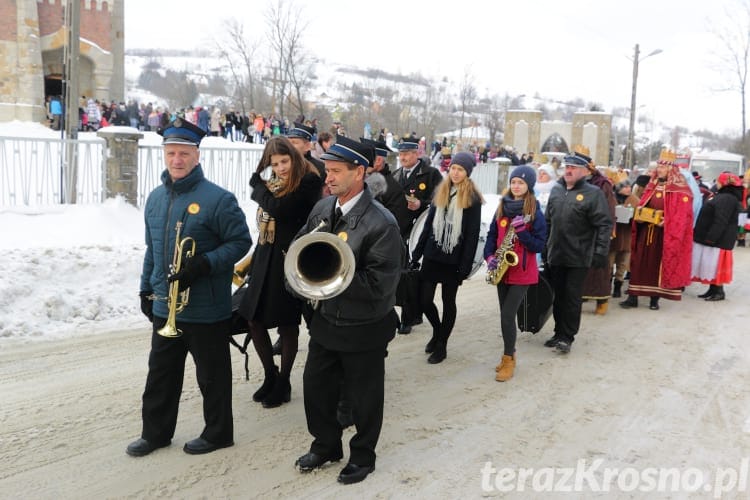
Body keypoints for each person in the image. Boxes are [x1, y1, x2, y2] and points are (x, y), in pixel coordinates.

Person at [127, 118, 252, 457]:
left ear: (197, 156)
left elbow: (241, 242)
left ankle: (218, 433)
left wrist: (207, 263)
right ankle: (155, 434)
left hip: (206, 306)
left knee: (212, 377)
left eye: (184, 153)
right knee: (160, 375)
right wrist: (145, 289)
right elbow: (153, 249)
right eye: (171, 153)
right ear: (164, 155)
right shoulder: (154, 199)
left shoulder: (218, 199)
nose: (177, 160)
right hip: (165, 305)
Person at [293, 135, 403, 485]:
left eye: (336, 171)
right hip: (327, 321)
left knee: (364, 397)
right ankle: (326, 445)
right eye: (327, 170)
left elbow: (380, 286)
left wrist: (334, 275)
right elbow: (299, 248)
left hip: (366, 325)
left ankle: (363, 455)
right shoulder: (322, 209)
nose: (328, 177)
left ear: (360, 173)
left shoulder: (382, 223)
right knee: (316, 388)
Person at [237, 136, 322, 408]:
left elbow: (279, 209)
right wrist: (260, 183)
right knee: (254, 320)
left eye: (284, 161)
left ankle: (284, 381)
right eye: (274, 164)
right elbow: (267, 206)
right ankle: (270, 375)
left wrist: (256, 187)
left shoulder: (309, 181)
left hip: (289, 259)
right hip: (265, 255)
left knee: (286, 324)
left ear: (294, 159)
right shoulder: (271, 183)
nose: (281, 168)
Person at [410, 152, 484, 364]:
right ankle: (437, 331)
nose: (455, 172)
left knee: (448, 302)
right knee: (424, 301)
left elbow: (471, 235)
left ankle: (442, 345)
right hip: (433, 255)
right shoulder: (440, 191)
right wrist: (416, 255)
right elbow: (428, 225)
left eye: (460, 169)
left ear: (467, 173)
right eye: (453, 168)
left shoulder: (472, 199)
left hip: (454, 259)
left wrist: (465, 267)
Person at [543, 152, 612, 354]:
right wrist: (544, 246)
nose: (569, 171)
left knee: (572, 298)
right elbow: (548, 221)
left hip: (578, 255)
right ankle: (557, 332)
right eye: (567, 167)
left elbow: (604, 224)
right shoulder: (556, 190)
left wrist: (600, 252)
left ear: (583, 171)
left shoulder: (594, 193)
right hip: (556, 254)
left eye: (573, 168)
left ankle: (567, 336)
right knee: (558, 296)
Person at [484, 165, 546, 381]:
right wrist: (489, 257)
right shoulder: (502, 207)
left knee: (508, 314)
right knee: (505, 316)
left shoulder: (535, 212)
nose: (516, 186)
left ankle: (508, 358)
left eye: (521, 182)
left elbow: (539, 245)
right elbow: (491, 235)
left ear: (528, 185)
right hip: (502, 270)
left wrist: (522, 233)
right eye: (513, 182)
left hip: (522, 272)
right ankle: (509, 354)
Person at [620, 150, 694, 310]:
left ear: (671, 170)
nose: (659, 170)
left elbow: (684, 215)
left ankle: (655, 299)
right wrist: (638, 216)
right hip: (645, 231)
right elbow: (642, 204)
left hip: (663, 235)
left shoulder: (680, 190)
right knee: (638, 262)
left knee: (656, 265)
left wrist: (668, 221)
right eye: (658, 167)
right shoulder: (651, 186)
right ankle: (633, 296)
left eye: (662, 167)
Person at [393, 137, 444, 334]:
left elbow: (441, 200)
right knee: (401, 275)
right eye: (401, 154)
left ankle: (409, 317)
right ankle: (410, 314)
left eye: (406, 153)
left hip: (420, 232)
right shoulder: (396, 176)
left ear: (417, 154)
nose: (403, 157)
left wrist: (421, 204)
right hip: (400, 230)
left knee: (411, 275)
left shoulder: (430, 174)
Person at [691, 171, 744, 301]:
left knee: (715, 265)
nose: (716, 183)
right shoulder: (724, 196)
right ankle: (712, 289)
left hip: (718, 240)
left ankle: (719, 292)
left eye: (718, 182)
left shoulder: (726, 198)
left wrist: (711, 237)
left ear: (724, 184)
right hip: (715, 239)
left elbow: (721, 220)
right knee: (711, 265)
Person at [579, 152, 616, 315]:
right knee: (579, 268)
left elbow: (608, 209)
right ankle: (580, 296)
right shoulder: (572, 184)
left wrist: (605, 231)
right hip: (578, 234)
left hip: (596, 232)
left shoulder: (603, 185)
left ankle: (602, 300)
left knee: (599, 268)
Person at [609, 179, 640, 298]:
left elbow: (640, 215)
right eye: (625, 187)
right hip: (613, 236)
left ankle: (618, 286)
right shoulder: (611, 198)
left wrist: (632, 217)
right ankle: (607, 286)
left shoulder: (634, 199)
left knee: (622, 264)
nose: (628, 189)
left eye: (629, 186)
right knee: (609, 263)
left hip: (627, 236)